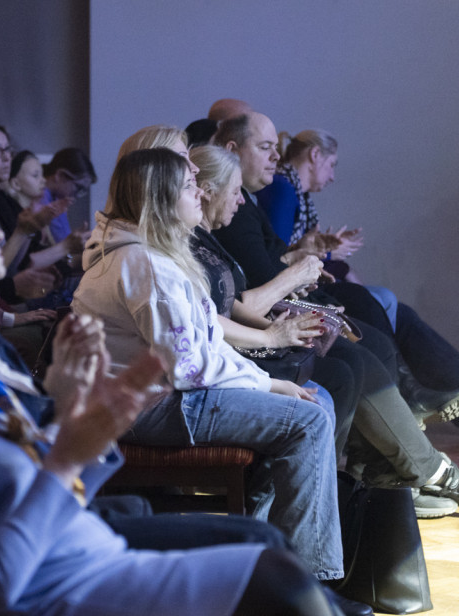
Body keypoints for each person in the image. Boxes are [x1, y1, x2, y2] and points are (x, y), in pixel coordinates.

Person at [0, 182, 375, 616]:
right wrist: (72, 450)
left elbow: (29, 480)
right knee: (273, 572)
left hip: (71, 559)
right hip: (39, 602)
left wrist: (71, 410)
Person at [73, 147, 346, 583]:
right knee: (309, 421)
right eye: (186, 186)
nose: (199, 193)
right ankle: (309, 581)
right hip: (148, 407)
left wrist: (265, 383)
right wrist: (269, 386)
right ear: (160, 199)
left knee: (319, 401)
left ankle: (262, 553)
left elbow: (207, 338)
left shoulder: (155, 254)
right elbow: (189, 367)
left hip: (166, 394)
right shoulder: (144, 265)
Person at [190, 144, 459, 516]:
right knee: (346, 365)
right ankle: (422, 472)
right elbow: (213, 319)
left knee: (357, 339)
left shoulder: (204, 237)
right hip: (227, 363)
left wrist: (293, 324)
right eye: (232, 191)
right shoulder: (185, 242)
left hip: (245, 343)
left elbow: (231, 307)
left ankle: (388, 469)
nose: (241, 201)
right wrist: (275, 330)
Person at [216, 114, 459, 439]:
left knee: (379, 308)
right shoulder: (280, 190)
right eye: (265, 147)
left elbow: (272, 256)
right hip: (275, 316)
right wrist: (306, 262)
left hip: (283, 302)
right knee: (373, 319)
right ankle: (430, 413)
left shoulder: (259, 197)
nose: (276, 155)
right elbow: (261, 274)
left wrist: (308, 254)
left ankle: (435, 407)